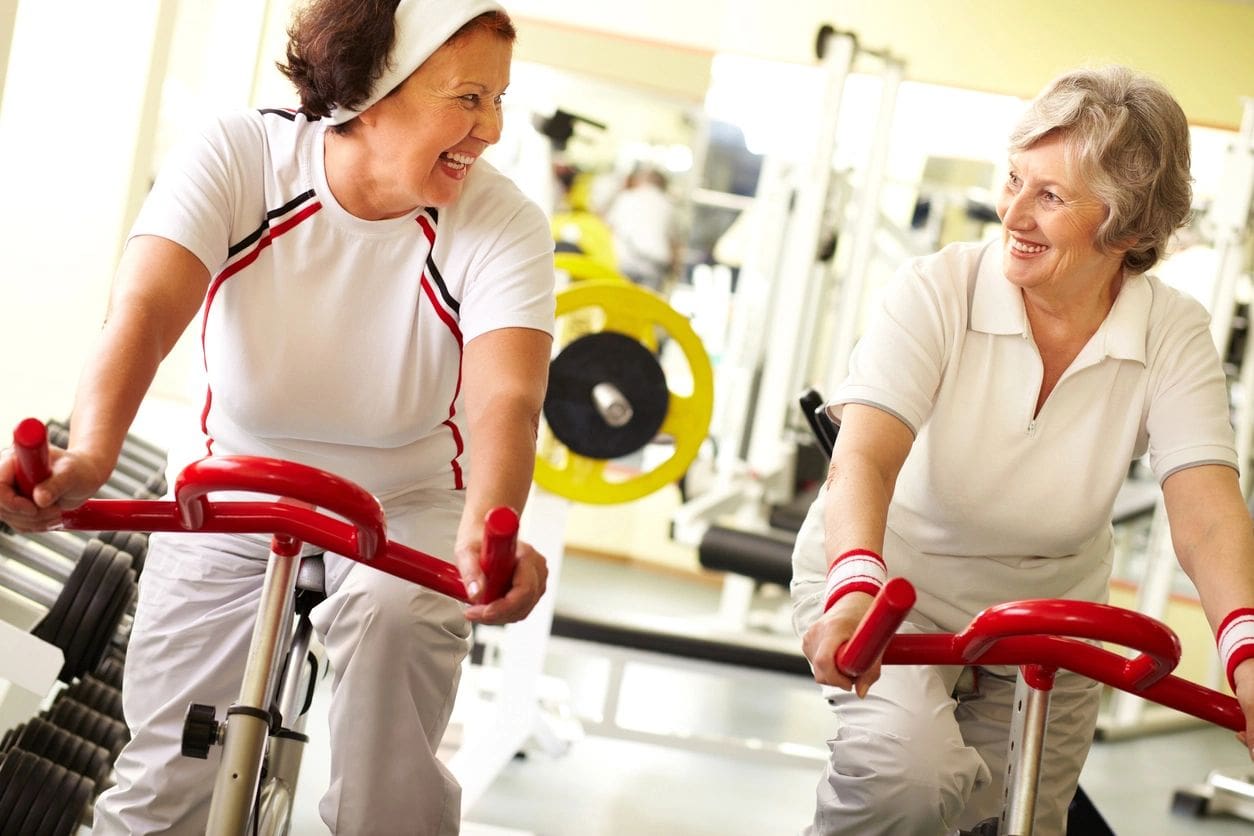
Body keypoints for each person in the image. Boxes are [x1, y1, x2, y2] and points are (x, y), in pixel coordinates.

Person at [0, 1, 554, 833]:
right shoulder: (241, 155)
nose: (492, 130)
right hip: (232, 490)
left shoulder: (502, 220)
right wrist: (90, 460)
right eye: (469, 98)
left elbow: (506, 395)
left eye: (499, 100)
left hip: (406, 505)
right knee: (165, 789)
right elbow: (145, 311)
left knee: (396, 676)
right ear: (375, 87)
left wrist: (489, 525)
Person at [790, 65, 1254, 836]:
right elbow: (864, 456)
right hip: (890, 583)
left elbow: (1206, 510)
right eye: (1014, 180)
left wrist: (1244, 645)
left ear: (1131, 229)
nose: (1013, 212)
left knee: (1023, 815)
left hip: (1050, 610)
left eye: (1051, 196)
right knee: (909, 780)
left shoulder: (1172, 330)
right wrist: (854, 587)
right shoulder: (939, 287)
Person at [603, 164, 682, 292]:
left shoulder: (627, 198)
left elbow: (608, 228)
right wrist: (675, 272)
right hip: (654, 267)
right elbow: (674, 243)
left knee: (619, 304)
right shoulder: (668, 205)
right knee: (644, 308)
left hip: (624, 262)